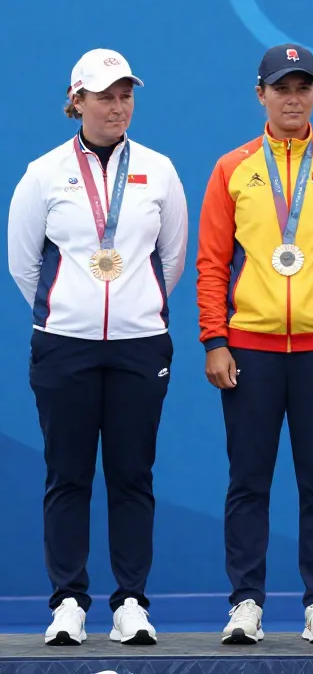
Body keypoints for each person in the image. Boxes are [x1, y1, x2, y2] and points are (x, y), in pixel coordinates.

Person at [195, 43, 313, 645]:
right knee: (248, 480)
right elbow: (212, 264)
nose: (292, 98)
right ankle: (245, 602)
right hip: (250, 348)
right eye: (281, 88)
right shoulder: (233, 168)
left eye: (303, 87)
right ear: (261, 95)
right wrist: (214, 340)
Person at [7, 49, 188, 647]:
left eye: (126, 95)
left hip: (139, 346)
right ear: (77, 100)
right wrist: (73, 309)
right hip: (64, 347)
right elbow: (24, 264)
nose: (118, 106)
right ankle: (68, 604)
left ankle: (131, 602)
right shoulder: (43, 173)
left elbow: (171, 260)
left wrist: (132, 305)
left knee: (133, 475)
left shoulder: (159, 170)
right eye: (106, 96)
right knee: (67, 476)